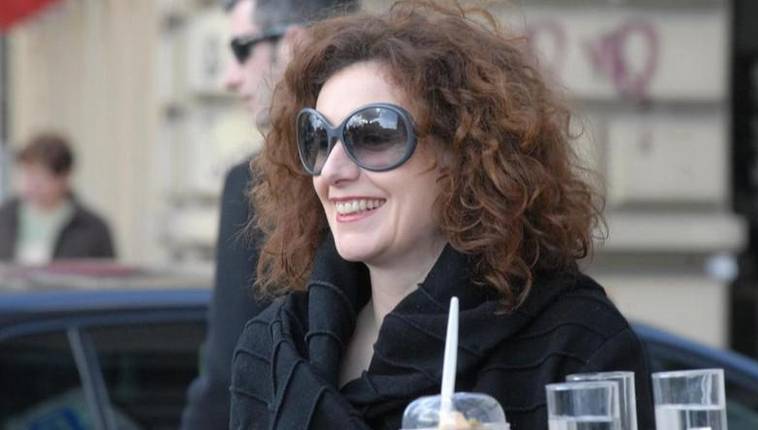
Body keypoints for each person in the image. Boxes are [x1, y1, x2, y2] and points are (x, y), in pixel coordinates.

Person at [230, 1, 657, 429]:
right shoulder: (275, 351)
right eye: (318, 138)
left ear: (464, 152)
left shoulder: (576, 343)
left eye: (374, 134)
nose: (332, 171)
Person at [180, 0, 356, 428]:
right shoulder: (413, 173)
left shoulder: (256, 182)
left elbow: (228, 376)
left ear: (294, 43)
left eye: (242, 49)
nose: (230, 76)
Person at [0, 133, 114, 263]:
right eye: (28, 174)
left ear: (64, 177)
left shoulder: (92, 229)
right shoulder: (4, 217)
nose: (32, 185)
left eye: (41, 177)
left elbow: (108, 273)